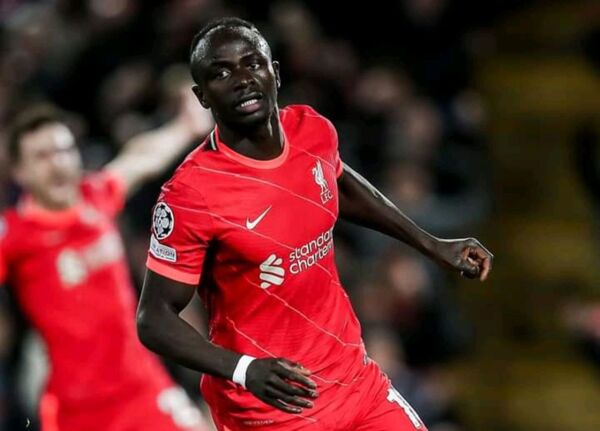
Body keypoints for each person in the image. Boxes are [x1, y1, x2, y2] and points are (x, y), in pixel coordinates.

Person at [137, 17, 493, 431]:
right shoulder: (192, 193)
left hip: (354, 381)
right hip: (271, 407)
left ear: (275, 73)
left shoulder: (311, 130)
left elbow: (338, 184)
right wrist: (243, 369)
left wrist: (432, 244)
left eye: (252, 63)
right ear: (202, 96)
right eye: (221, 73)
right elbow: (153, 318)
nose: (242, 80)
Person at [0, 89, 213, 431]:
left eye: (64, 151)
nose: (57, 163)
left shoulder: (95, 196)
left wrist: (185, 127)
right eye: (42, 156)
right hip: (77, 412)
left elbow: (139, 158)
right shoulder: (14, 235)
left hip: (142, 388)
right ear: (20, 173)